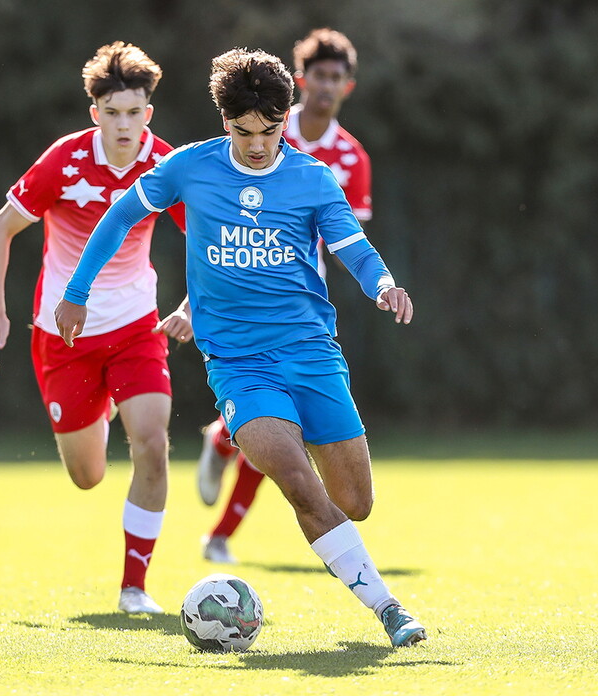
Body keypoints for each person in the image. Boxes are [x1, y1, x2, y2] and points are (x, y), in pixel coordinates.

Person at [55, 48, 426, 647]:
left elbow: (352, 247)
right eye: (243, 131)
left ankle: (267, 473)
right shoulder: (189, 167)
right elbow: (119, 217)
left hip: (311, 353)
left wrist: (383, 284)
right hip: (238, 365)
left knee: (355, 502)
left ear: (284, 120)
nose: (257, 145)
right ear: (224, 120)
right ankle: (389, 609)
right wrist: (77, 293)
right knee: (296, 479)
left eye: (269, 131)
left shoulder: (312, 178)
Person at [0, 42, 191, 615]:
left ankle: (134, 588)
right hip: (63, 337)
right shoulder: (64, 162)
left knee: (152, 445)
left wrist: (191, 306)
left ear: (149, 112)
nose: (124, 125)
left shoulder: (165, 166)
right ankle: (100, 407)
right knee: (88, 475)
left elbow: (209, 243)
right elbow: (0, 230)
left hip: (137, 328)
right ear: (95, 112)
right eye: (112, 112)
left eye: (134, 112)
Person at [197, 28, 373, 566]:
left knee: (286, 436)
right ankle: (221, 518)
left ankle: (221, 455)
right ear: (302, 81)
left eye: (336, 77)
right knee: (279, 436)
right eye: (319, 75)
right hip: (240, 286)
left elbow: (347, 243)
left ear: (348, 86)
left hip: (299, 305)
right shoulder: (267, 124)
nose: (327, 85)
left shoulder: (350, 158)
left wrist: (372, 277)